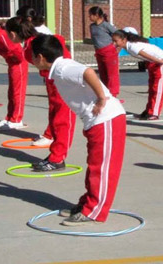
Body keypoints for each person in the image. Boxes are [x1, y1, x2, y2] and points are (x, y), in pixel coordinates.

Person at [31, 34, 126, 226]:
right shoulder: (58, 69)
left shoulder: (64, 68)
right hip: (94, 122)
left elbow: (88, 72)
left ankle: (94, 211)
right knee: (94, 165)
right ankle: (88, 203)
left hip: (107, 118)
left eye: (32, 56)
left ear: (41, 57)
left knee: (102, 168)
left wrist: (101, 98)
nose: (31, 61)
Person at [4, 17, 77, 169]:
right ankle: (54, 152)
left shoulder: (33, 44)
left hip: (62, 80)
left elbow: (59, 42)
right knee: (55, 115)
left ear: (12, 34)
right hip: (52, 79)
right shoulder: (33, 41)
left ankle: (58, 158)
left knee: (62, 119)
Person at [112, 28, 163, 120]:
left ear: (123, 40)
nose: (114, 43)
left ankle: (154, 113)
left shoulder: (132, 47)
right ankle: (149, 110)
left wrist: (160, 61)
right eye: (113, 41)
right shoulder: (128, 46)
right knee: (151, 87)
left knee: (157, 88)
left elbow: (147, 55)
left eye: (116, 41)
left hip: (159, 61)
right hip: (152, 62)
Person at [88, 6, 120, 98]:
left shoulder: (106, 25)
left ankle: (113, 94)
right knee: (103, 73)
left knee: (112, 74)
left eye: (90, 15)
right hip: (99, 53)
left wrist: (114, 45)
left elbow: (118, 34)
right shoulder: (92, 26)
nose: (89, 17)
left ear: (97, 15)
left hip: (109, 52)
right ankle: (105, 92)